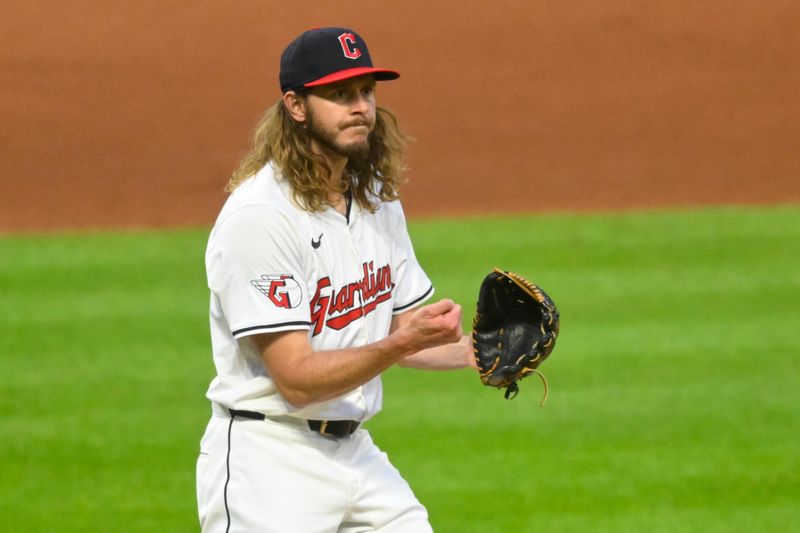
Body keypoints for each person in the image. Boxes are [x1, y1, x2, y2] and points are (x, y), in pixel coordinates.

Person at [195, 27, 475, 532]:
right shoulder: (261, 218)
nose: (360, 107)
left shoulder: (374, 198)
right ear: (296, 105)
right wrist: (401, 342)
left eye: (366, 92)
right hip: (271, 464)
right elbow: (297, 379)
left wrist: (475, 352)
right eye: (340, 94)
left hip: (355, 455)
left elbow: (401, 328)